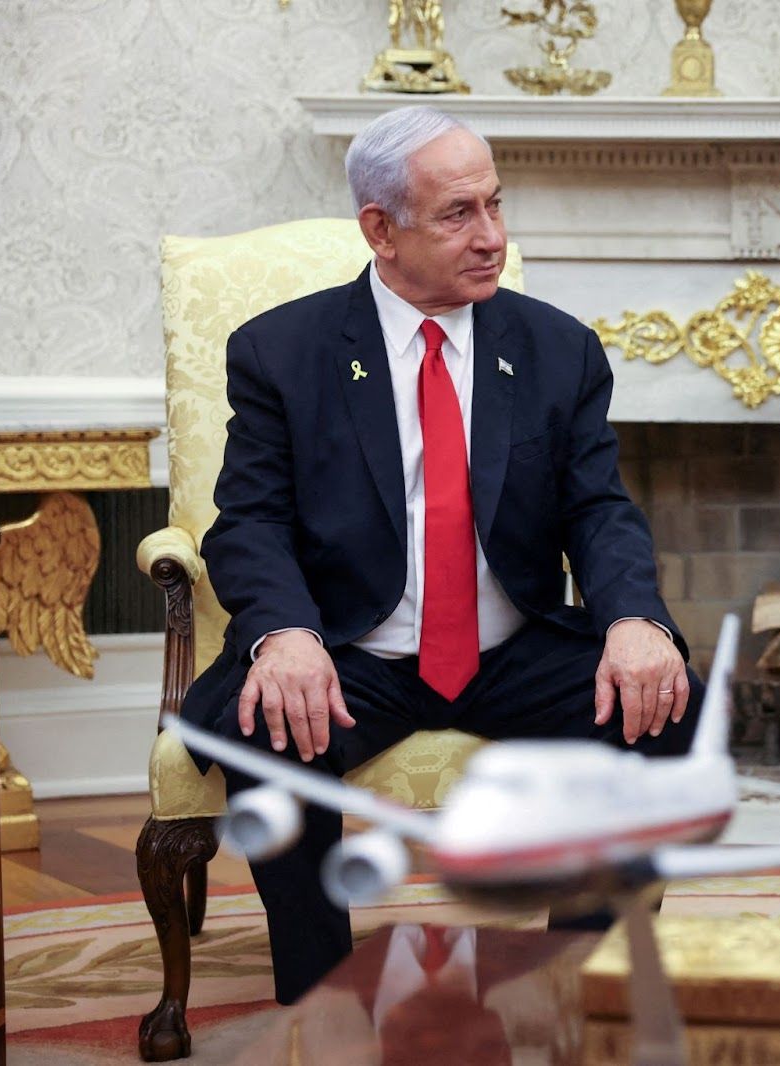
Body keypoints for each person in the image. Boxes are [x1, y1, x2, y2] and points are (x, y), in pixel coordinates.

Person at [180, 105, 699, 1004]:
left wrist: (634, 619)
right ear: (380, 229)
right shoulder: (283, 351)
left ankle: (577, 989)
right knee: (275, 723)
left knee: (660, 710)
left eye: (496, 206)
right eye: (460, 214)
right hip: (353, 647)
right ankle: (324, 1009)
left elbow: (599, 509)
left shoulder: (556, 349)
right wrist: (285, 635)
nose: (491, 237)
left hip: (509, 645)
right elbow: (248, 521)